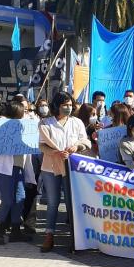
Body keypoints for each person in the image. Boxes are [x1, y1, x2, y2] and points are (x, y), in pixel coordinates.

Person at [38, 92, 90, 252]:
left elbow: (85, 141)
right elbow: (41, 145)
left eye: (70, 105)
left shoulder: (77, 122)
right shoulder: (46, 123)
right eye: (64, 105)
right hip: (50, 167)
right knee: (53, 202)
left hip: (71, 168)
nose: (68, 108)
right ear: (57, 106)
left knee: (71, 202)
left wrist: (77, 147)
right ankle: (49, 235)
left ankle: (74, 238)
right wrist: (55, 152)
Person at [0, 101, 35, 245]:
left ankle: (16, 231)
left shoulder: (25, 126)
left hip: (19, 169)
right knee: (8, 200)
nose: (26, 114)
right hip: (4, 169)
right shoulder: (2, 125)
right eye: (24, 111)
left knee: (19, 199)